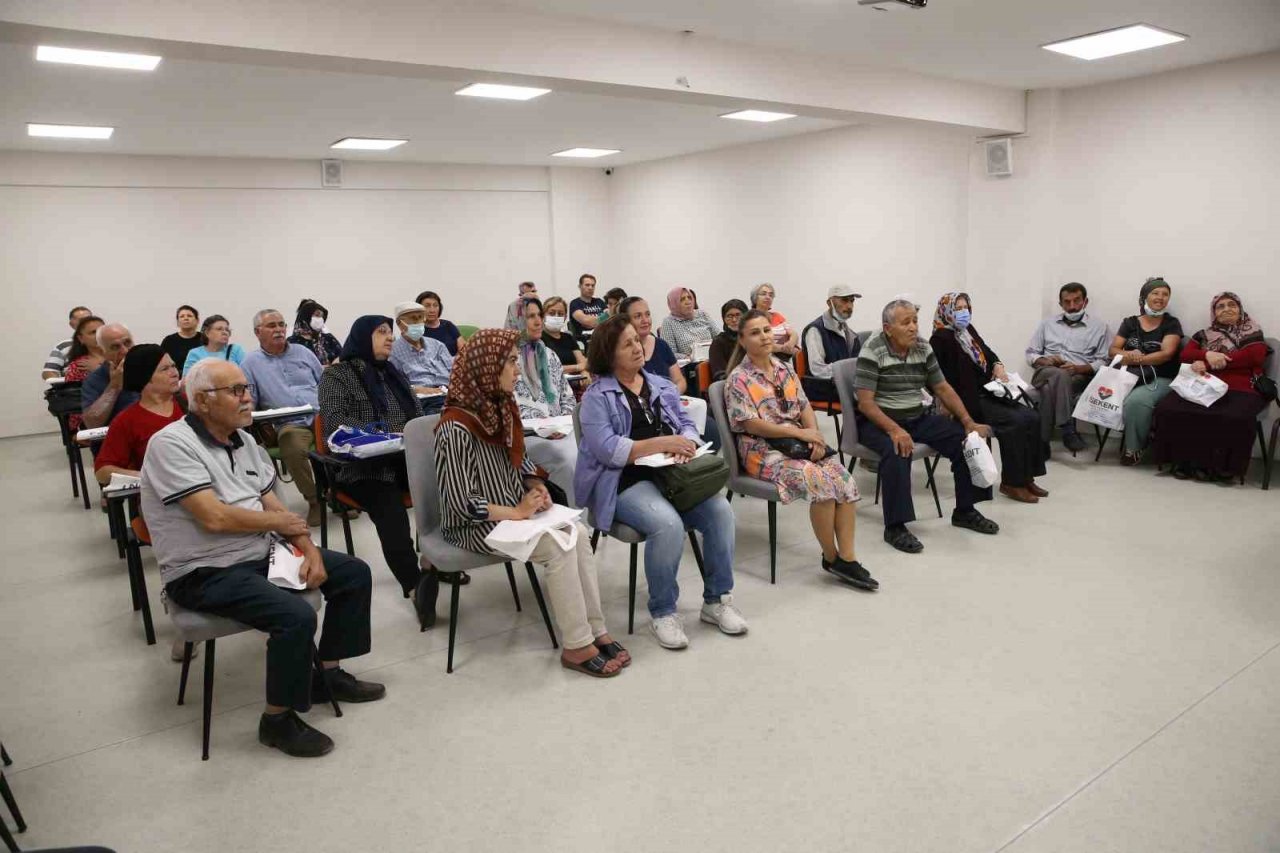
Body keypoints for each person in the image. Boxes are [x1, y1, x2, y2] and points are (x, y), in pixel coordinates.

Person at [142, 358, 384, 758]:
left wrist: (308, 549)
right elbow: (215, 517)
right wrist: (281, 524)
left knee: (353, 573)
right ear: (202, 401)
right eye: (235, 391)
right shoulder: (170, 444)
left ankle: (326, 675)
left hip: (259, 552)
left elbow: (276, 505)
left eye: (246, 388)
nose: (247, 397)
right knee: (294, 616)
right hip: (202, 570)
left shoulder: (245, 440)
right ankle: (276, 721)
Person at [436, 328, 629, 677]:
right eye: (509, 362)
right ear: (486, 367)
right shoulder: (455, 427)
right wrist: (518, 512)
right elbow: (460, 503)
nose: (516, 370)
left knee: (578, 532)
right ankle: (576, 645)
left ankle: (596, 629)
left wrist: (535, 484)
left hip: (513, 511)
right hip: (476, 524)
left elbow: (520, 461)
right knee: (557, 547)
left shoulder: (501, 406)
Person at [576, 315, 748, 647]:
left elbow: (686, 424)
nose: (637, 348)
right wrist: (661, 444)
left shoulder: (659, 384)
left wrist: (685, 445)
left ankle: (716, 601)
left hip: (672, 475)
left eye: (637, 341)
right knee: (667, 524)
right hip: (623, 481)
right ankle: (663, 612)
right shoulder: (597, 397)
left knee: (720, 513)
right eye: (627, 344)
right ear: (608, 355)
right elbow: (608, 449)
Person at [727, 311, 876, 591]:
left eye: (766, 330)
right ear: (743, 340)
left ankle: (848, 557)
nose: (764, 337)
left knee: (844, 480)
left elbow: (804, 405)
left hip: (798, 443)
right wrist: (801, 433)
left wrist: (816, 439)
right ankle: (831, 558)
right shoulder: (739, 378)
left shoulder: (784, 367)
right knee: (820, 482)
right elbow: (751, 424)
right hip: (761, 449)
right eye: (755, 333)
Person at [319, 316, 441, 626]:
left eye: (390, 332)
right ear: (362, 337)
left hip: (404, 459)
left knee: (446, 489)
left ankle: (434, 559)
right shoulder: (337, 376)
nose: (389, 338)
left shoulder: (393, 373)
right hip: (363, 466)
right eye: (381, 332)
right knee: (391, 510)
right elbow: (335, 426)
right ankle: (414, 585)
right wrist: (386, 436)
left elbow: (415, 413)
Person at [855, 299, 998, 554]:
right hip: (878, 420)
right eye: (905, 322)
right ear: (888, 328)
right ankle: (895, 526)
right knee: (898, 449)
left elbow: (942, 388)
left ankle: (965, 510)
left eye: (915, 321)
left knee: (964, 441)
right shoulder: (873, 350)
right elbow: (865, 404)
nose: (913, 328)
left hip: (915, 416)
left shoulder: (922, 347)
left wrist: (968, 422)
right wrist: (894, 430)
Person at [929, 293, 1047, 504]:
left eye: (966, 307)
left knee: (1031, 416)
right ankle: (1011, 482)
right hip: (968, 400)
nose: (964, 312)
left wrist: (997, 364)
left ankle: (1027, 477)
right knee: (1015, 421)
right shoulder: (940, 339)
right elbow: (940, 381)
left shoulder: (967, 330)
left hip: (988, 391)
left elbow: (988, 352)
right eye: (958, 308)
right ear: (946, 311)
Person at [1152, 292, 1269, 482]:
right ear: (1214, 312)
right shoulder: (1204, 334)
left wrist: (1206, 362)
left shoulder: (1252, 330)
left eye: (1232, 305)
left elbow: (1254, 356)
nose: (1227, 309)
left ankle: (1222, 468)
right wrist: (1207, 354)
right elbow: (1186, 355)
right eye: (1220, 306)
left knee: (1233, 415)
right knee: (1169, 407)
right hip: (1205, 382)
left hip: (1242, 385)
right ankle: (1184, 462)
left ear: (1240, 309)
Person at [240, 309, 324, 524]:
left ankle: (336, 495)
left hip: (320, 416)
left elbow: (324, 384)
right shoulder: (250, 363)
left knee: (341, 442)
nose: (278, 329)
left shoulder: (303, 353)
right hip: (288, 423)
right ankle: (314, 500)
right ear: (258, 332)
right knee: (292, 447)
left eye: (281, 324)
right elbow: (250, 400)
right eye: (271, 326)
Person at [622, 296, 721, 449]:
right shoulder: (625, 355)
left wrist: (670, 395)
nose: (645, 320)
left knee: (710, 430)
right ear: (625, 322)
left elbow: (680, 381)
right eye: (637, 316)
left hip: (670, 404)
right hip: (644, 413)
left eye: (647, 314)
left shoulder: (661, 345)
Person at [1025, 282, 1112, 453]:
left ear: (1085, 302)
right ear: (1061, 304)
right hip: (1045, 372)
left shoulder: (1100, 327)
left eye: (1076, 301)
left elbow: (1105, 361)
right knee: (1058, 375)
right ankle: (1067, 428)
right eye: (1067, 302)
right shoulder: (1047, 324)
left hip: (1079, 377)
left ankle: (1042, 443)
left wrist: (1079, 368)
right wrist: (1045, 360)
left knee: (1050, 389)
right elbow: (1030, 353)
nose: (1072, 306)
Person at [1109, 277, 1184, 465]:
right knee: (1104, 393)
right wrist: (1128, 355)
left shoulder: (1171, 323)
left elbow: (1166, 354)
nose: (1160, 297)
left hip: (1161, 377)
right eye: (1155, 293)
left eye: (1165, 294)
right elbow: (1113, 350)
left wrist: (1137, 358)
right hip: (1130, 376)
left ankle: (1134, 448)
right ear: (1144, 297)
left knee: (1136, 401)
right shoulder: (1129, 322)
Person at [513, 298, 579, 503]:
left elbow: (567, 395)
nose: (538, 322)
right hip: (526, 435)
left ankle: (591, 516)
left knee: (591, 449)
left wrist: (565, 422)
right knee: (567, 459)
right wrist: (543, 429)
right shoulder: (507, 358)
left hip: (560, 430)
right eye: (530, 316)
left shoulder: (549, 355)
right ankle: (570, 516)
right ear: (517, 321)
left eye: (539, 316)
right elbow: (507, 409)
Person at [94, 346, 184, 485]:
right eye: (165, 369)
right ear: (145, 378)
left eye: (174, 366)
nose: (175, 373)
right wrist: (147, 477)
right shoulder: (127, 420)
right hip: (163, 495)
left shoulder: (191, 404)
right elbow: (102, 472)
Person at [800, 285, 863, 404]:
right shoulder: (815, 330)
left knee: (874, 390)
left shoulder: (850, 334)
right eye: (844, 300)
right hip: (822, 387)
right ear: (830, 303)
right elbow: (817, 370)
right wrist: (846, 374)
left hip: (842, 384)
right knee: (867, 397)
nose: (849, 306)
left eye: (852, 301)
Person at [388, 301, 454, 397]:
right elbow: (395, 386)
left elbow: (455, 374)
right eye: (413, 319)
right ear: (399, 323)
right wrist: (418, 390)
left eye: (420, 318)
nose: (418, 323)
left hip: (449, 396)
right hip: (423, 401)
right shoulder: (392, 352)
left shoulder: (438, 345)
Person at [81, 324, 138, 429]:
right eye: (115, 347)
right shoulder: (94, 380)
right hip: (118, 438)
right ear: (103, 352)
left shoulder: (150, 368)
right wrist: (114, 386)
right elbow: (92, 424)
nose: (125, 351)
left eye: (127, 343)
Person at [63, 315, 106, 432]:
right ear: (81, 339)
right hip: (90, 417)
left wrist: (99, 367)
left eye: (101, 331)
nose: (98, 335)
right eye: (93, 332)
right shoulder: (78, 366)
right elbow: (75, 402)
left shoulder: (120, 357)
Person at [658, 286, 720, 359]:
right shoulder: (669, 322)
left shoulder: (703, 314)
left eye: (689, 297)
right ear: (674, 303)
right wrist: (687, 357)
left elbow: (719, 337)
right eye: (682, 299)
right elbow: (668, 353)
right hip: (690, 366)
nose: (688, 302)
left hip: (713, 358)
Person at [541, 297, 589, 379]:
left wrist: (585, 374)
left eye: (560, 314)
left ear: (565, 317)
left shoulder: (568, 337)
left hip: (576, 382)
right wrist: (576, 367)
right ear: (543, 315)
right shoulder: (539, 339)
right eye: (552, 313)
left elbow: (582, 362)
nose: (556, 316)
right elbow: (546, 368)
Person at [749, 283, 799, 359]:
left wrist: (791, 344)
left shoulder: (777, 315)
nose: (768, 297)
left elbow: (794, 334)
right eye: (763, 294)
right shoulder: (750, 318)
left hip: (785, 357)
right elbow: (761, 344)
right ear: (755, 298)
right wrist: (784, 349)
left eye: (771, 295)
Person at [42, 306, 93, 379]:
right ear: (72, 324)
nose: (86, 323)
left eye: (89, 320)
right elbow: (49, 372)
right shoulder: (63, 346)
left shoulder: (104, 344)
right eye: (82, 320)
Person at [288, 299, 342, 366]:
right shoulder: (292, 342)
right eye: (317, 315)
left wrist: (332, 366)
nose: (320, 319)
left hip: (331, 375)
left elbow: (342, 355)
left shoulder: (329, 338)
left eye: (322, 316)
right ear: (306, 316)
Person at [708, 299, 748, 382]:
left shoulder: (751, 338)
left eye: (738, 315)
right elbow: (720, 375)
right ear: (724, 319)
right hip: (733, 385)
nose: (734, 320)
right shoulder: (719, 342)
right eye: (729, 316)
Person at [160, 305, 204, 377]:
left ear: (197, 320)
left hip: (201, 378)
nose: (186, 318)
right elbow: (162, 364)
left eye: (189, 316)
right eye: (182, 316)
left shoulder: (205, 339)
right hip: (175, 378)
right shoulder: (169, 341)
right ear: (177, 322)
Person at [415, 290, 462, 355]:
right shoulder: (415, 330)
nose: (432, 310)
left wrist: (456, 363)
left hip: (455, 363)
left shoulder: (448, 325)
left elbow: (463, 350)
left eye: (435, 305)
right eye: (427, 306)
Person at [568, 273, 606, 338]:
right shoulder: (575, 303)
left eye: (593, 285)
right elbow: (587, 321)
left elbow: (609, 318)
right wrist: (601, 319)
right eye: (587, 285)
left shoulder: (600, 301)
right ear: (580, 286)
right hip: (585, 339)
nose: (590, 288)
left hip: (602, 336)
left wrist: (592, 321)